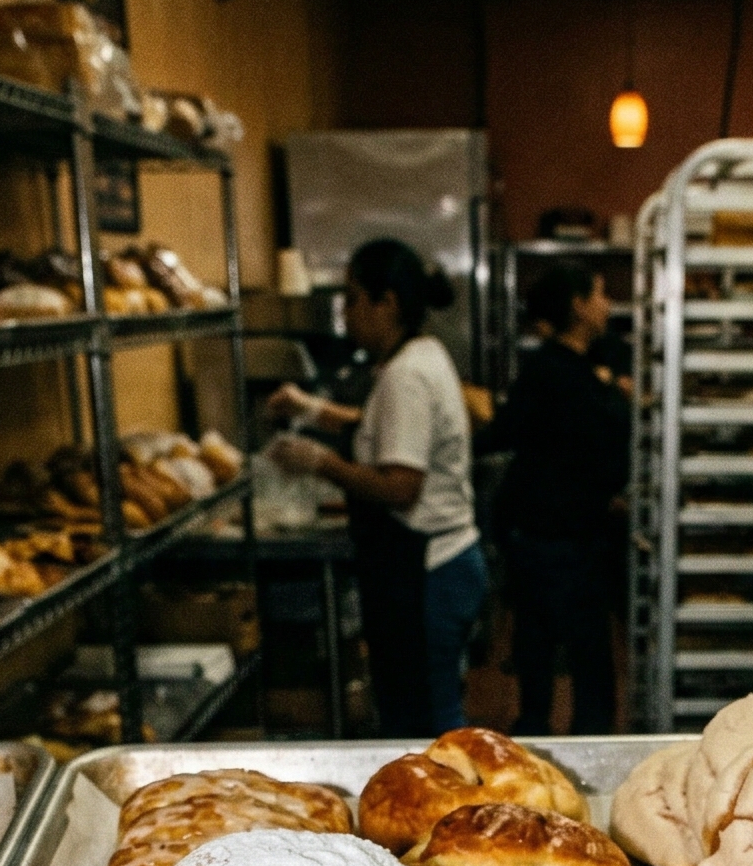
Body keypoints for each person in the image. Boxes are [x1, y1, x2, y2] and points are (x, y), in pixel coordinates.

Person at [270, 238, 487, 729]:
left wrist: (319, 461)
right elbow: (386, 429)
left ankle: (439, 805)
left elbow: (400, 485)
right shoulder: (420, 355)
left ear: (385, 302)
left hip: (428, 570)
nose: (345, 313)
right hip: (443, 561)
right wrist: (312, 409)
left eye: (352, 298)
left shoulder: (407, 374)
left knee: (425, 720)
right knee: (431, 706)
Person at [487, 257, 631, 731]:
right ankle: (583, 755)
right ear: (578, 305)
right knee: (585, 662)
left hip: (542, 534)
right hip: (563, 537)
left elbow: (508, 433)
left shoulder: (555, 367)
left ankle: (533, 747)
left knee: (539, 657)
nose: (607, 304)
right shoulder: (566, 375)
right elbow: (600, 451)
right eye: (599, 294)